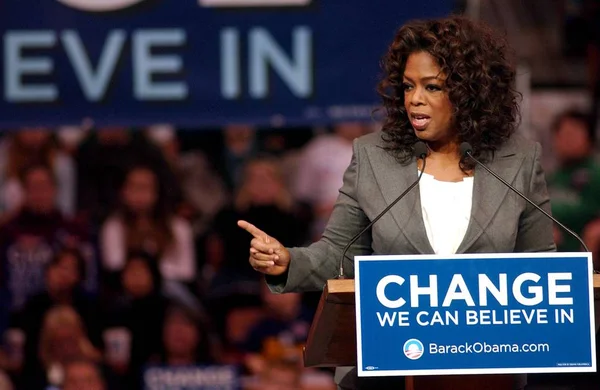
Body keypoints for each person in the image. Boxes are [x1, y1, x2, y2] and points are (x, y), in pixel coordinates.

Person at [238, 15, 555, 390]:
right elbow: (340, 254)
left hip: (488, 372)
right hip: (388, 373)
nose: (414, 99)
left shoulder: (517, 161)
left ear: (471, 92)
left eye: (431, 87)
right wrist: (287, 260)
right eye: (407, 86)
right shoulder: (375, 157)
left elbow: (543, 271)